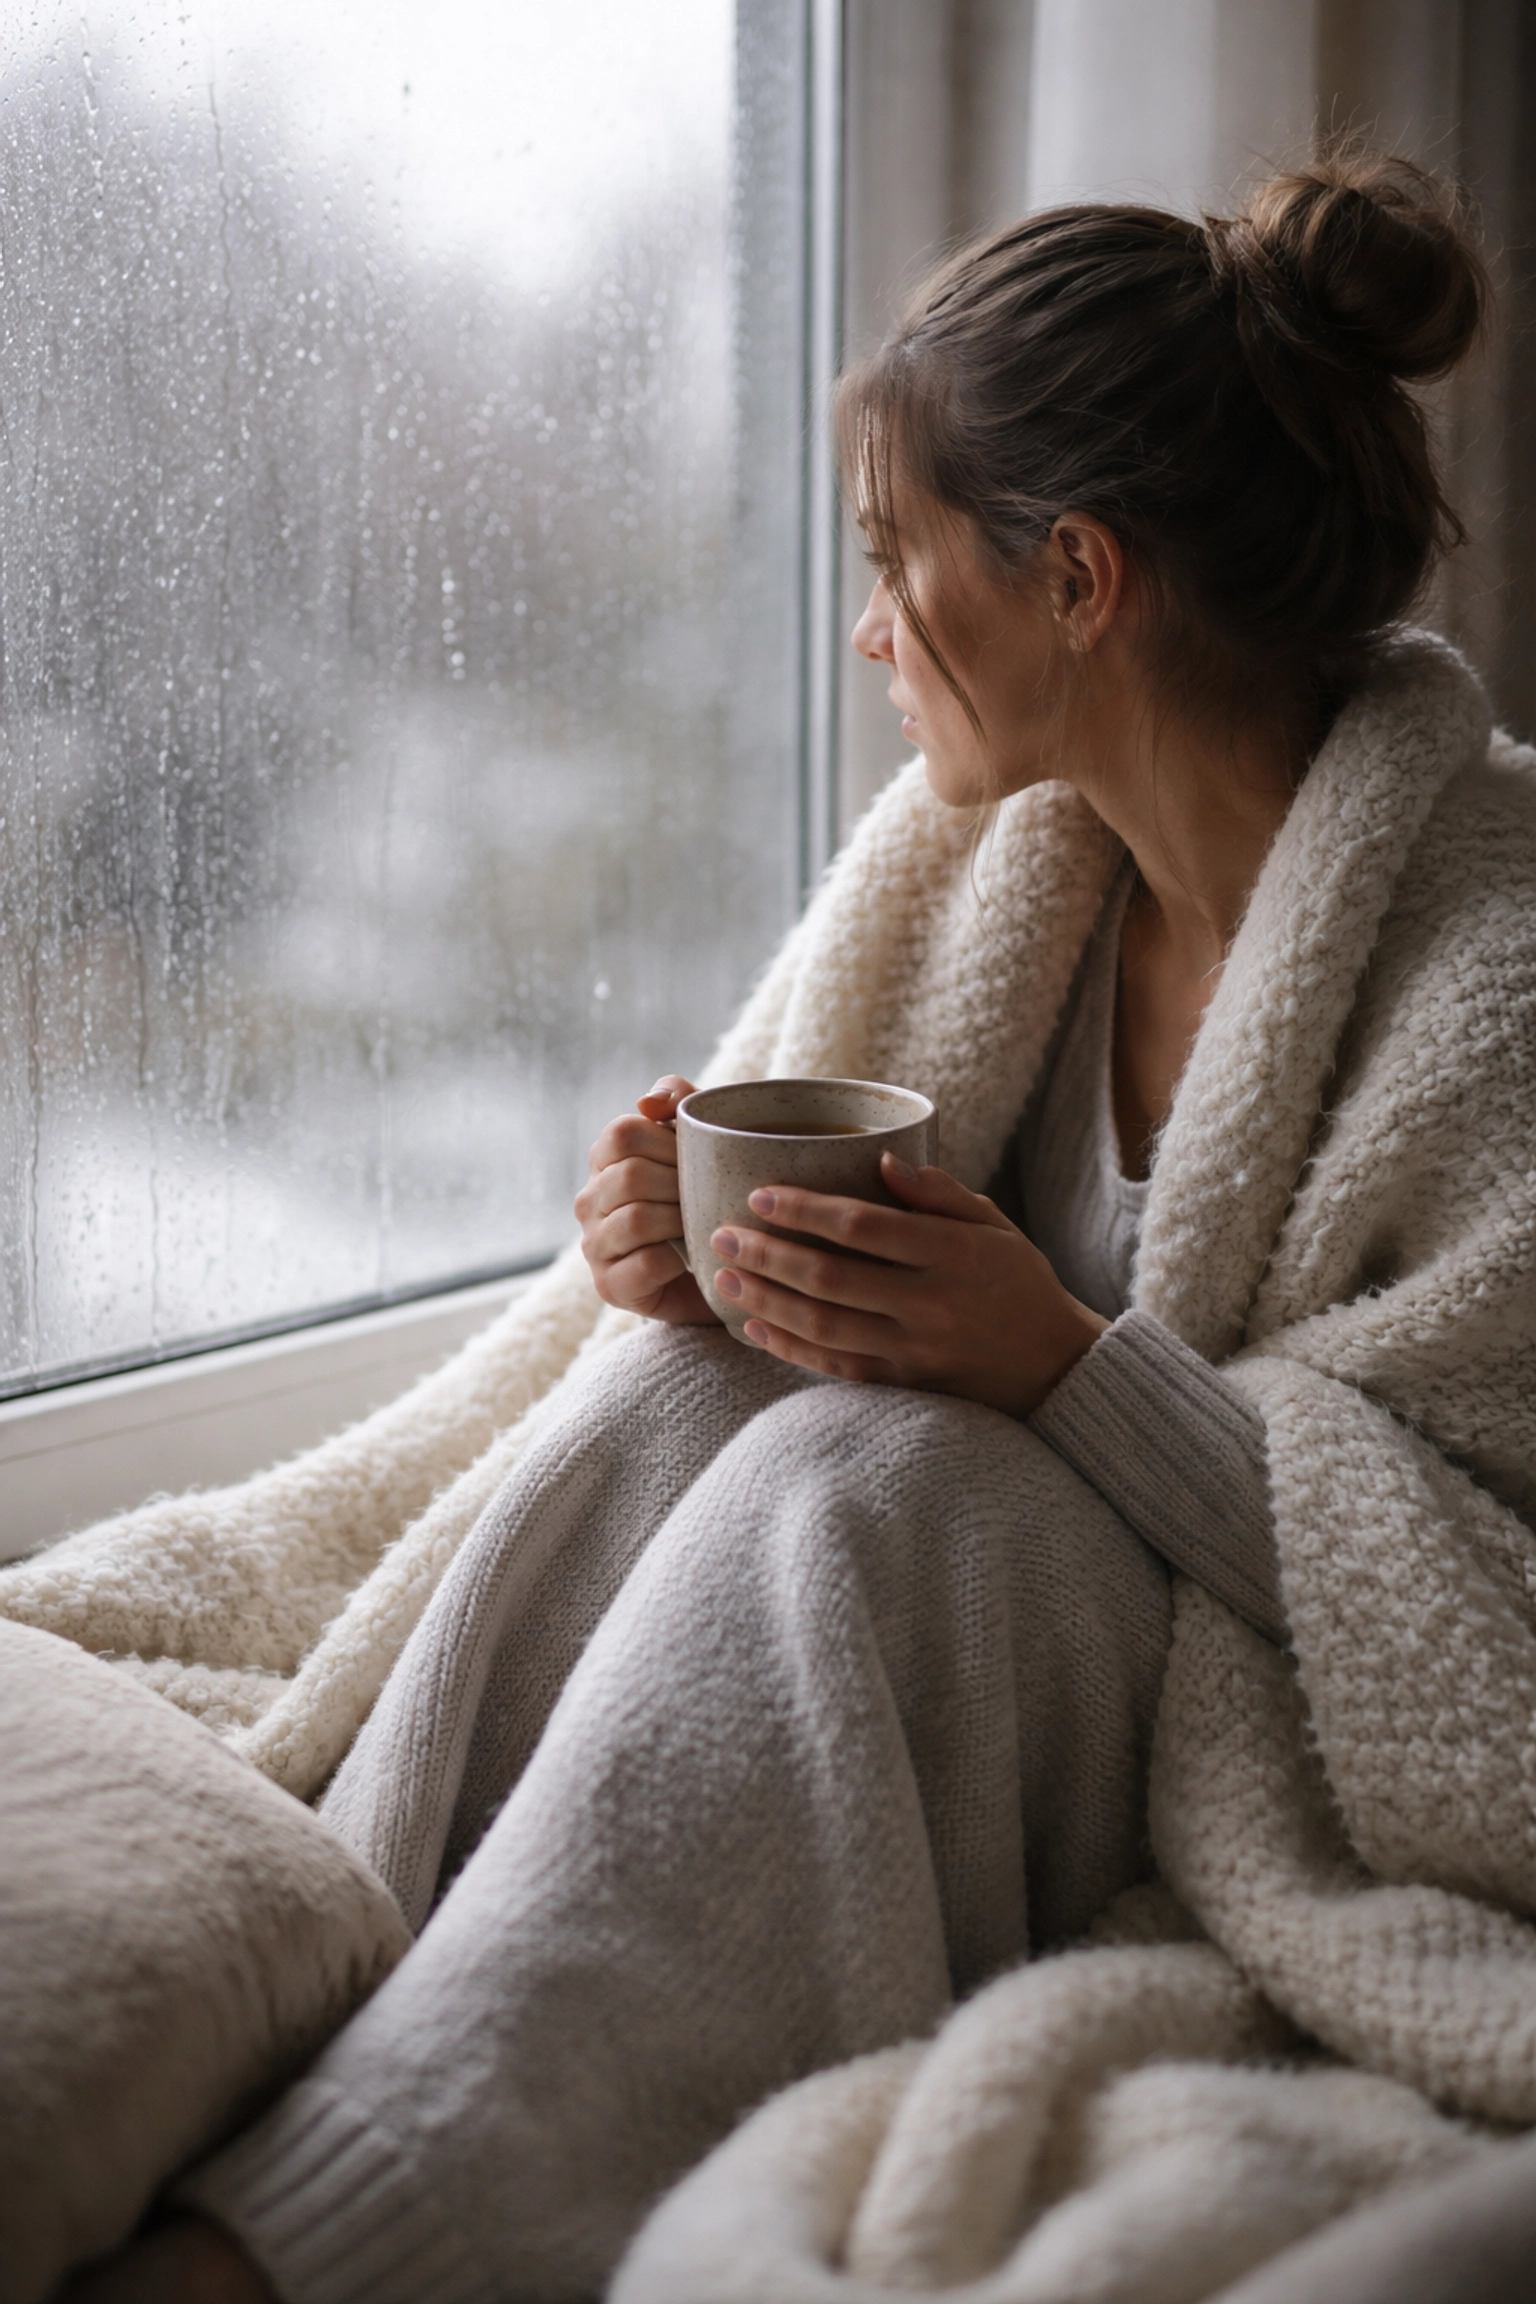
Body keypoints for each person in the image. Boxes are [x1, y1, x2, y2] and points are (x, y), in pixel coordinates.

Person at [71, 147, 1527, 2303]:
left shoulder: (1497, 971)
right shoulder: (987, 864)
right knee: (691, 1392)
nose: (865, 633)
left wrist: (1063, 1368)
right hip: (967, 1661)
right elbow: (719, 1330)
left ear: (1079, 580)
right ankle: (340, 1981)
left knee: (872, 1480)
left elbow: (1488, 1601)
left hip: (1232, 1729)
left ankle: (339, 2239)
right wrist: (681, 1263)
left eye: (890, 563)